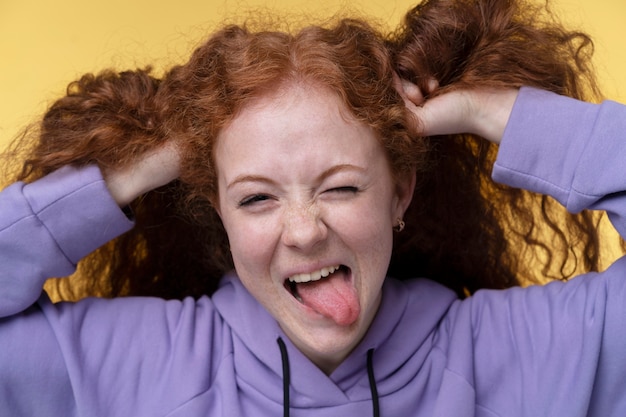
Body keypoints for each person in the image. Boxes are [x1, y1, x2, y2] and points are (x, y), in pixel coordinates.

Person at [1, 0, 624, 415]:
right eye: (254, 197)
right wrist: (139, 169)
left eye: (341, 187)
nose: (303, 231)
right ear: (218, 211)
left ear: (399, 192)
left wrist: (489, 114)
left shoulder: (526, 352)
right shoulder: (133, 364)